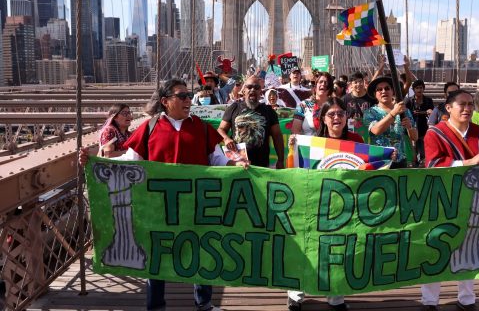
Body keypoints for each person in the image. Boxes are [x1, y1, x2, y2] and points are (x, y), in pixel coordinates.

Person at [80, 78, 248, 311]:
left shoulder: (201, 127)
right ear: (165, 101)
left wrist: (236, 165)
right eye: (182, 96)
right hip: (157, 207)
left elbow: (218, 161)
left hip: (195, 206)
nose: (188, 99)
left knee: (201, 251)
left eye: (189, 95)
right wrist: (95, 162)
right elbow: (129, 163)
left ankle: (204, 302)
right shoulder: (148, 128)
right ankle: (156, 305)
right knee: (156, 253)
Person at [422, 89, 479, 311]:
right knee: (436, 247)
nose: (468, 108)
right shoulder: (435, 134)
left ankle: (467, 298)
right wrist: (467, 163)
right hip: (443, 202)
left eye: (471, 104)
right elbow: (432, 165)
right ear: (449, 108)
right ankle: (430, 300)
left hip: (476, 203)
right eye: (462, 104)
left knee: (470, 244)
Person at [286, 97, 359, 311]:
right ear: (322, 119)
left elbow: (367, 168)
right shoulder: (311, 142)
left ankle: (335, 295)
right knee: (307, 246)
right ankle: (296, 294)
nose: (337, 118)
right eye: (331, 114)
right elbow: (294, 171)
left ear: (346, 117)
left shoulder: (356, 139)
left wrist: (384, 158)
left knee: (340, 249)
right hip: (315, 204)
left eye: (341, 113)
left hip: (343, 206)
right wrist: (292, 150)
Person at [218, 76, 285, 169]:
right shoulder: (234, 108)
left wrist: (281, 160)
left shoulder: (269, 111)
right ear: (244, 90)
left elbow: (277, 136)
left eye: (256, 87)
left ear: (261, 92)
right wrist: (226, 139)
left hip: (261, 166)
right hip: (237, 164)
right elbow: (221, 129)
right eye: (249, 87)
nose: (252, 89)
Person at [363, 75, 418, 168]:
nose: (383, 91)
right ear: (375, 94)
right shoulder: (370, 112)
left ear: (393, 91)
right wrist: (394, 113)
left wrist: (409, 127)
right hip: (379, 162)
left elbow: (415, 137)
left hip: (401, 161)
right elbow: (376, 130)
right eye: (379, 89)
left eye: (387, 88)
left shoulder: (405, 111)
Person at [404, 79, 434, 166]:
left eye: (421, 88)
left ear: (423, 89)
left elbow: (432, 112)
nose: (419, 90)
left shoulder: (428, 100)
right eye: (417, 88)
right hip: (411, 129)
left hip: (423, 128)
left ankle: (422, 164)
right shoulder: (409, 100)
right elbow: (404, 111)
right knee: (412, 152)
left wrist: (429, 111)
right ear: (413, 90)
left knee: (423, 151)